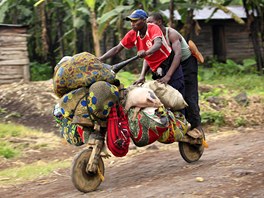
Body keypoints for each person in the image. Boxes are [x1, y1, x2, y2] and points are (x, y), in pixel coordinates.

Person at [98, 9, 185, 97]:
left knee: (177, 95)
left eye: (135, 21)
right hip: (156, 70)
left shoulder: (152, 28)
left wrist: (168, 76)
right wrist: (100, 59)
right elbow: (117, 49)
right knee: (163, 97)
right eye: (131, 21)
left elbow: (158, 44)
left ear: (144, 20)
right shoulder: (132, 34)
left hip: (169, 63)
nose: (132, 23)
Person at [147, 12, 203, 133]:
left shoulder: (171, 33)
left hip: (186, 63)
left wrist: (168, 76)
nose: (148, 26)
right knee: (173, 96)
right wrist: (142, 76)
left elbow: (178, 55)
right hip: (171, 64)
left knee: (189, 96)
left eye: (151, 23)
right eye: (147, 24)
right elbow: (148, 55)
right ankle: (179, 124)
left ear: (159, 22)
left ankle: (197, 126)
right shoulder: (151, 37)